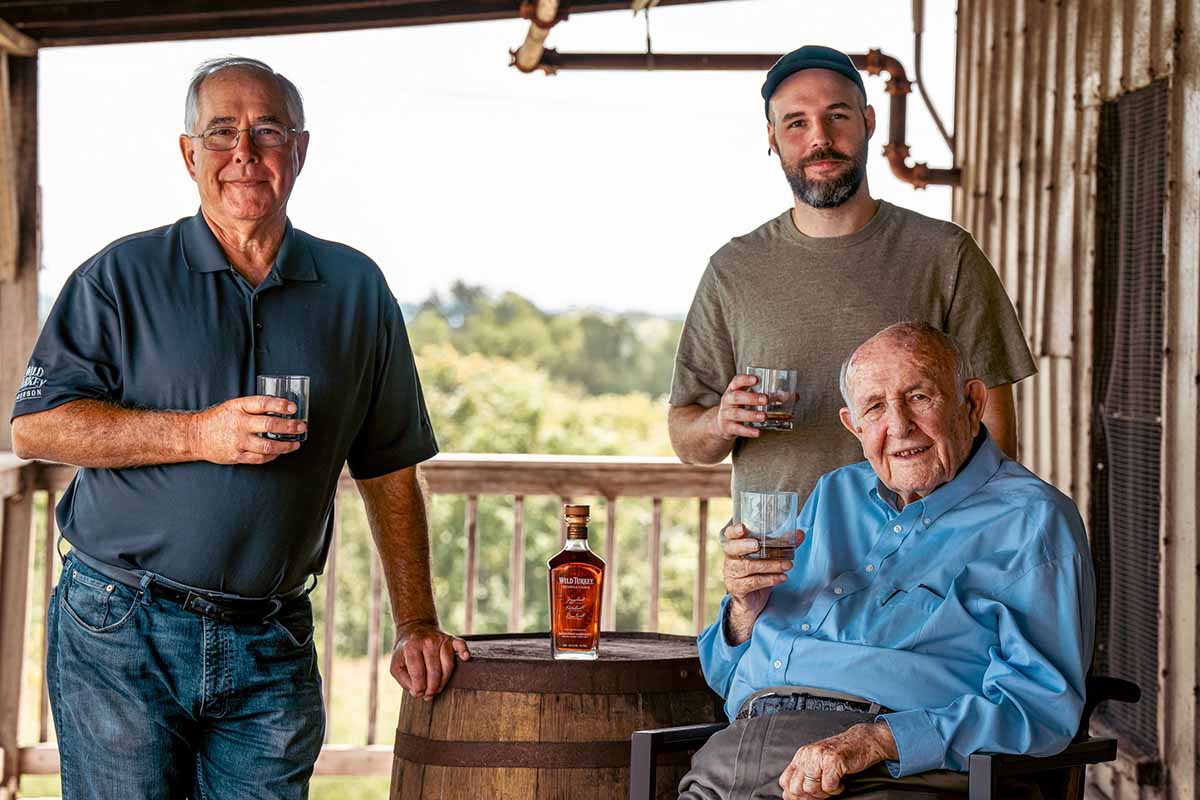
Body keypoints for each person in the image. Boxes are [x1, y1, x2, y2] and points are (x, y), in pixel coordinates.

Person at [10, 56, 466, 799]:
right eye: (221, 133)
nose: (244, 154)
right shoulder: (119, 276)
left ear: (301, 150)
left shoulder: (356, 290)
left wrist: (416, 620)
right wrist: (198, 435)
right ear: (190, 154)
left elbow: (388, 469)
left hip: (272, 638)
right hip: (121, 626)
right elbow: (39, 429)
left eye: (267, 132)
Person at [681, 323, 1095, 800]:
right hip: (737, 755)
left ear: (972, 402)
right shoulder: (834, 493)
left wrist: (882, 740)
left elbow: (1040, 707)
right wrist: (744, 610)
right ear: (853, 425)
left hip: (888, 770)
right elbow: (724, 675)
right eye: (875, 407)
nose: (898, 426)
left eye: (919, 397)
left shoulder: (1033, 521)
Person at [668, 45, 1036, 509]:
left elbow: (996, 432)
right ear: (772, 137)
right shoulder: (733, 269)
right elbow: (685, 435)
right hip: (782, 565)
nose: (819, 137)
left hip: (919, 565)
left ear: (868, 121)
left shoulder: (946, 254)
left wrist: (974, 542)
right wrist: (720, 423)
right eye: (796, 122)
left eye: (836, 116)